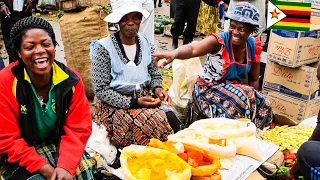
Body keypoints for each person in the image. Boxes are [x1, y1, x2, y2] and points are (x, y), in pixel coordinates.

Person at [0, 16, 96, 179]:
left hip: (55, 142)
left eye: (46, 44)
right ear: (19, 52)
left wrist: (65, 166)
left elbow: (78, 128)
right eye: (30, 47)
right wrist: (43, 167)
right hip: (18, 151)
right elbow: (7, 137)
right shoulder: (6, 82)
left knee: (83, 173)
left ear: (54, 47)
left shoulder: (71, 80)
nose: (40, 51)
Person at [153, 2, 273, 129]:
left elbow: (254, 80)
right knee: (240, 99)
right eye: (232, 27)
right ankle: (233, 136)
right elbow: (193, 49)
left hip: (236, 90)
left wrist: (254, 98)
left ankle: (256, 133)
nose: (235, 32)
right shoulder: (218, 41)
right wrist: (173, 54)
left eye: (242, 29)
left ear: (251, 30)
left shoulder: (253, 45)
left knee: (263, 101)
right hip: (208, 89)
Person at [90, 0, 182, 148]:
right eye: (125, 18)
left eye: (136, 17)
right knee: (155, 120)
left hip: (143, 97)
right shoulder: (103, 48)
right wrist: (133, 103)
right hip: (114, 105)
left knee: (171, 116)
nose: (131, 23)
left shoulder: (145, 43)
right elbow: (101, 90)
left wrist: (157, 88)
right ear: (118, 22)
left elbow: (154, 73)